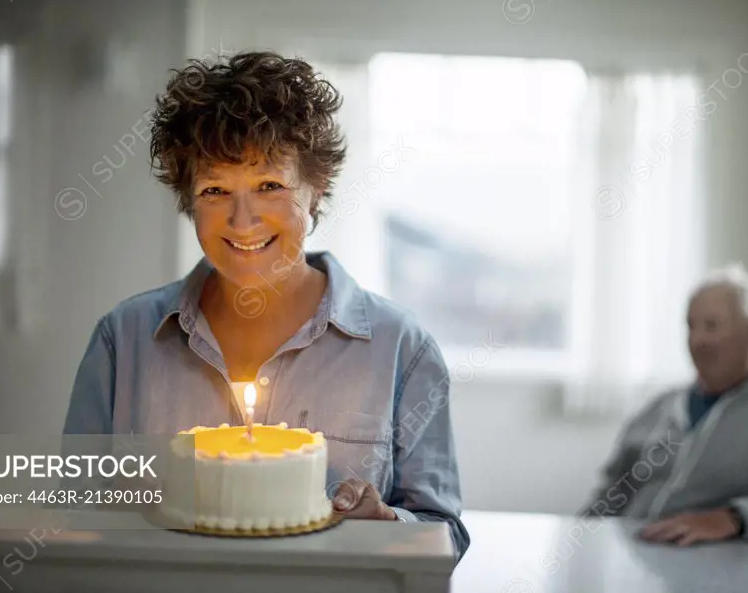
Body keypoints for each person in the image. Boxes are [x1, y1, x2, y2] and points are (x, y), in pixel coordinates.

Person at [62, 50, 469, 560]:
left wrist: (385, 522)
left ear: (316, 188)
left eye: (270, 186)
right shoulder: (121, 340)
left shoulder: (401, 350)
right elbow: (72, 519)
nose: (242, 221)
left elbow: (444, 534)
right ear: (188, 199)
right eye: (215, 190)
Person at [578, 264, 748, 545]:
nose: (697, 340)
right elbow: (608, 496)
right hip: (629, 562)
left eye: (711, 326)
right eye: (690, 326)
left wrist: (736, 518)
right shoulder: (660, 408)